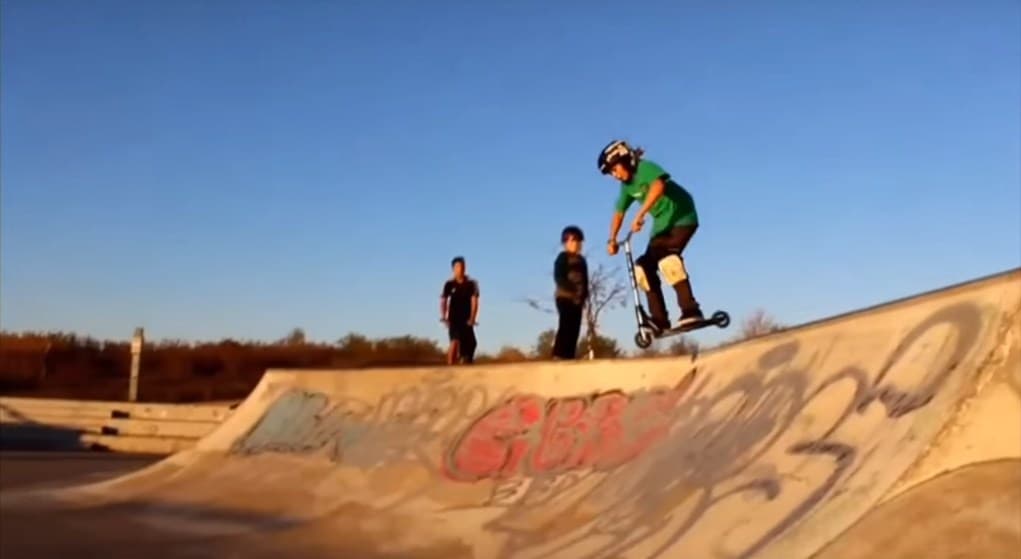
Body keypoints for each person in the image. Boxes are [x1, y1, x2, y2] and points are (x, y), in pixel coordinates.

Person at [599, 139, 704, 330]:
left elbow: (658, 186)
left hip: (682, 216)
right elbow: (619, 212)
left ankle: (691, 311)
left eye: (614, 170)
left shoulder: (644, 168)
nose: (615, 176)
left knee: (667, 260)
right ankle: (660, 320)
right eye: (611, 173)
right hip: (662, 225)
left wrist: (641, 213)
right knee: (643, 268)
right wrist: (612, 239)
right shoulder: (626, 187)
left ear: (623, 159)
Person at [552, 225, 589, 359]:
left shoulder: (582, 260)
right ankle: (559, 353)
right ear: (565, 243)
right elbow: (558, 276)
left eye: (579, 242)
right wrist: (570, 289)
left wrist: (584, 295)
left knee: (575, 327)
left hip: (578, 299)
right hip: (565, 297)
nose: (576, 244)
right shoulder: (563, 257)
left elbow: (585, 280)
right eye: (573, 241)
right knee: (566, 324)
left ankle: (569, 355)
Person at [440, 256, 479, 364]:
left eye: (462, 266)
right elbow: (443, 301)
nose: (460, 269)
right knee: (455, 341)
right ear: (453, 269)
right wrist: (444, 317)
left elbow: (474, 301)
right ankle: (450, 367)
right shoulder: (449, 284)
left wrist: (472, 318)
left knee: (471, 344)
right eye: (457, 267)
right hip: (454, 318)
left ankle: (466, 361)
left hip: (466, 319)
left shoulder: (472, 284)